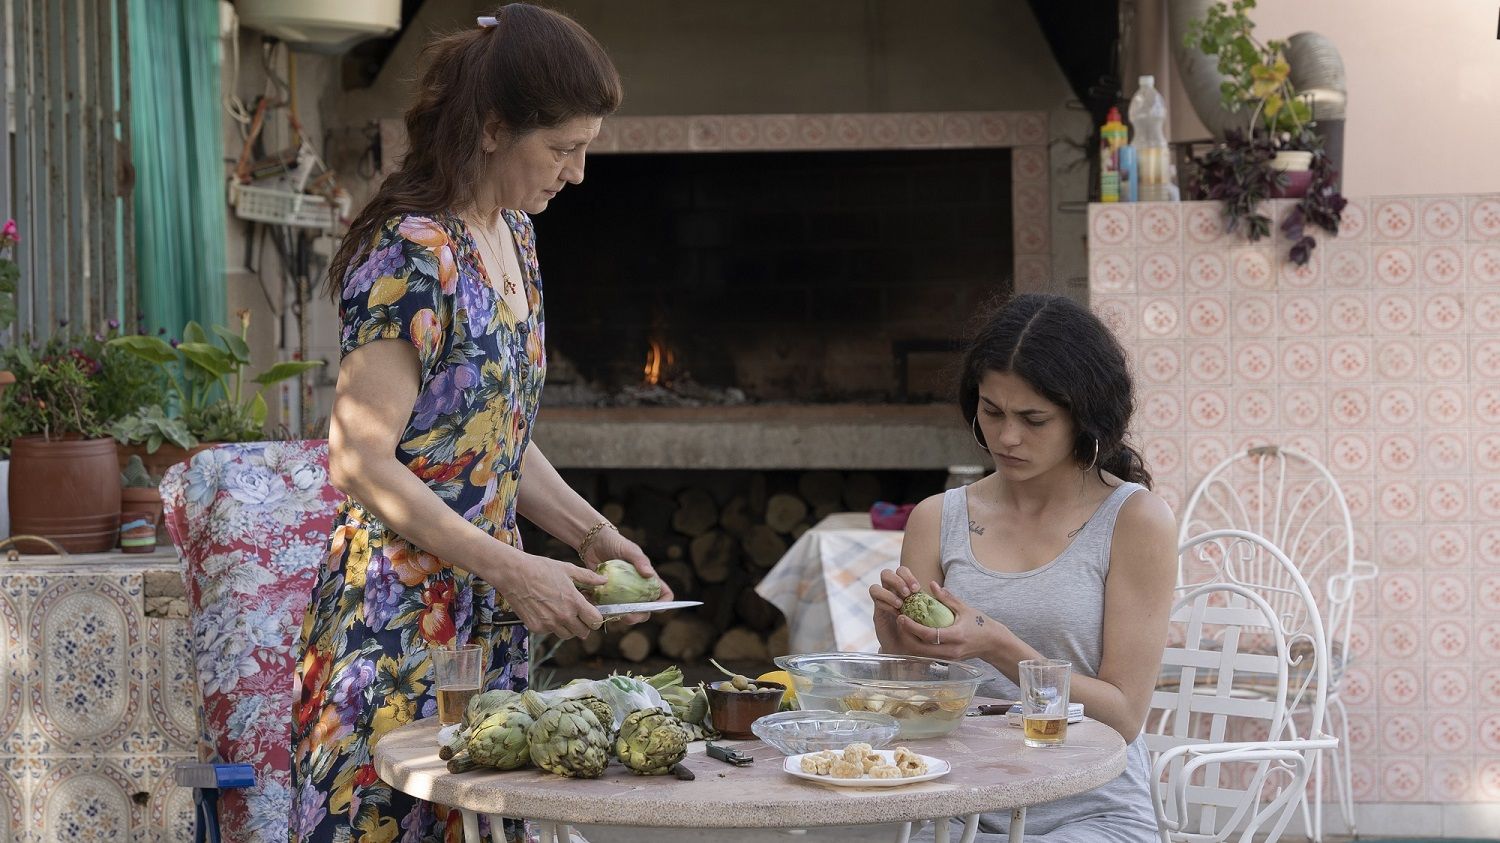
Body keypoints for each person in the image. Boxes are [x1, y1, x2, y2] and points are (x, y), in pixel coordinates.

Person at [290, 6, 669, 840]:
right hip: (392, 625)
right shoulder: (412, 251)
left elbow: (488, 432)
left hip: (486, 615)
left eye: (585, 150)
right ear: (494, 129)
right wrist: (511, 568)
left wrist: (589, 532)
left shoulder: (516, 237)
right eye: (562, 149)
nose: (576, 174)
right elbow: (358, 457)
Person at [870, 293, 1176, 842]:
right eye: (992, 412)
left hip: (1091, 812)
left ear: (1085, 417)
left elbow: (1125, 717)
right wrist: (896, 645)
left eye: (1033, 419)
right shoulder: (937, 518)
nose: (1006, 438)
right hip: (957, 812)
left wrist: (996, 644)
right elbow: (917, 703)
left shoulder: (1134, 520)